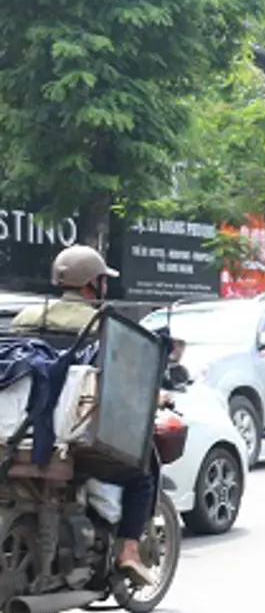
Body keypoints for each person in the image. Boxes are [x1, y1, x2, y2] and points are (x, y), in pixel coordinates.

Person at [15, 246, 157, 585]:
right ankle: (128, 552)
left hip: (19, 433)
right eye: (103, 279)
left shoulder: (26, 318)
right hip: (75, 439)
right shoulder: (104, 323)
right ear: (94, 283)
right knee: (142, 476)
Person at [14, 244, 114, 342]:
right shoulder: (105, 325)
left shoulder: (26, 316)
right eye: (104, 281)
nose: (106, 287)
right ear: (93, 282)